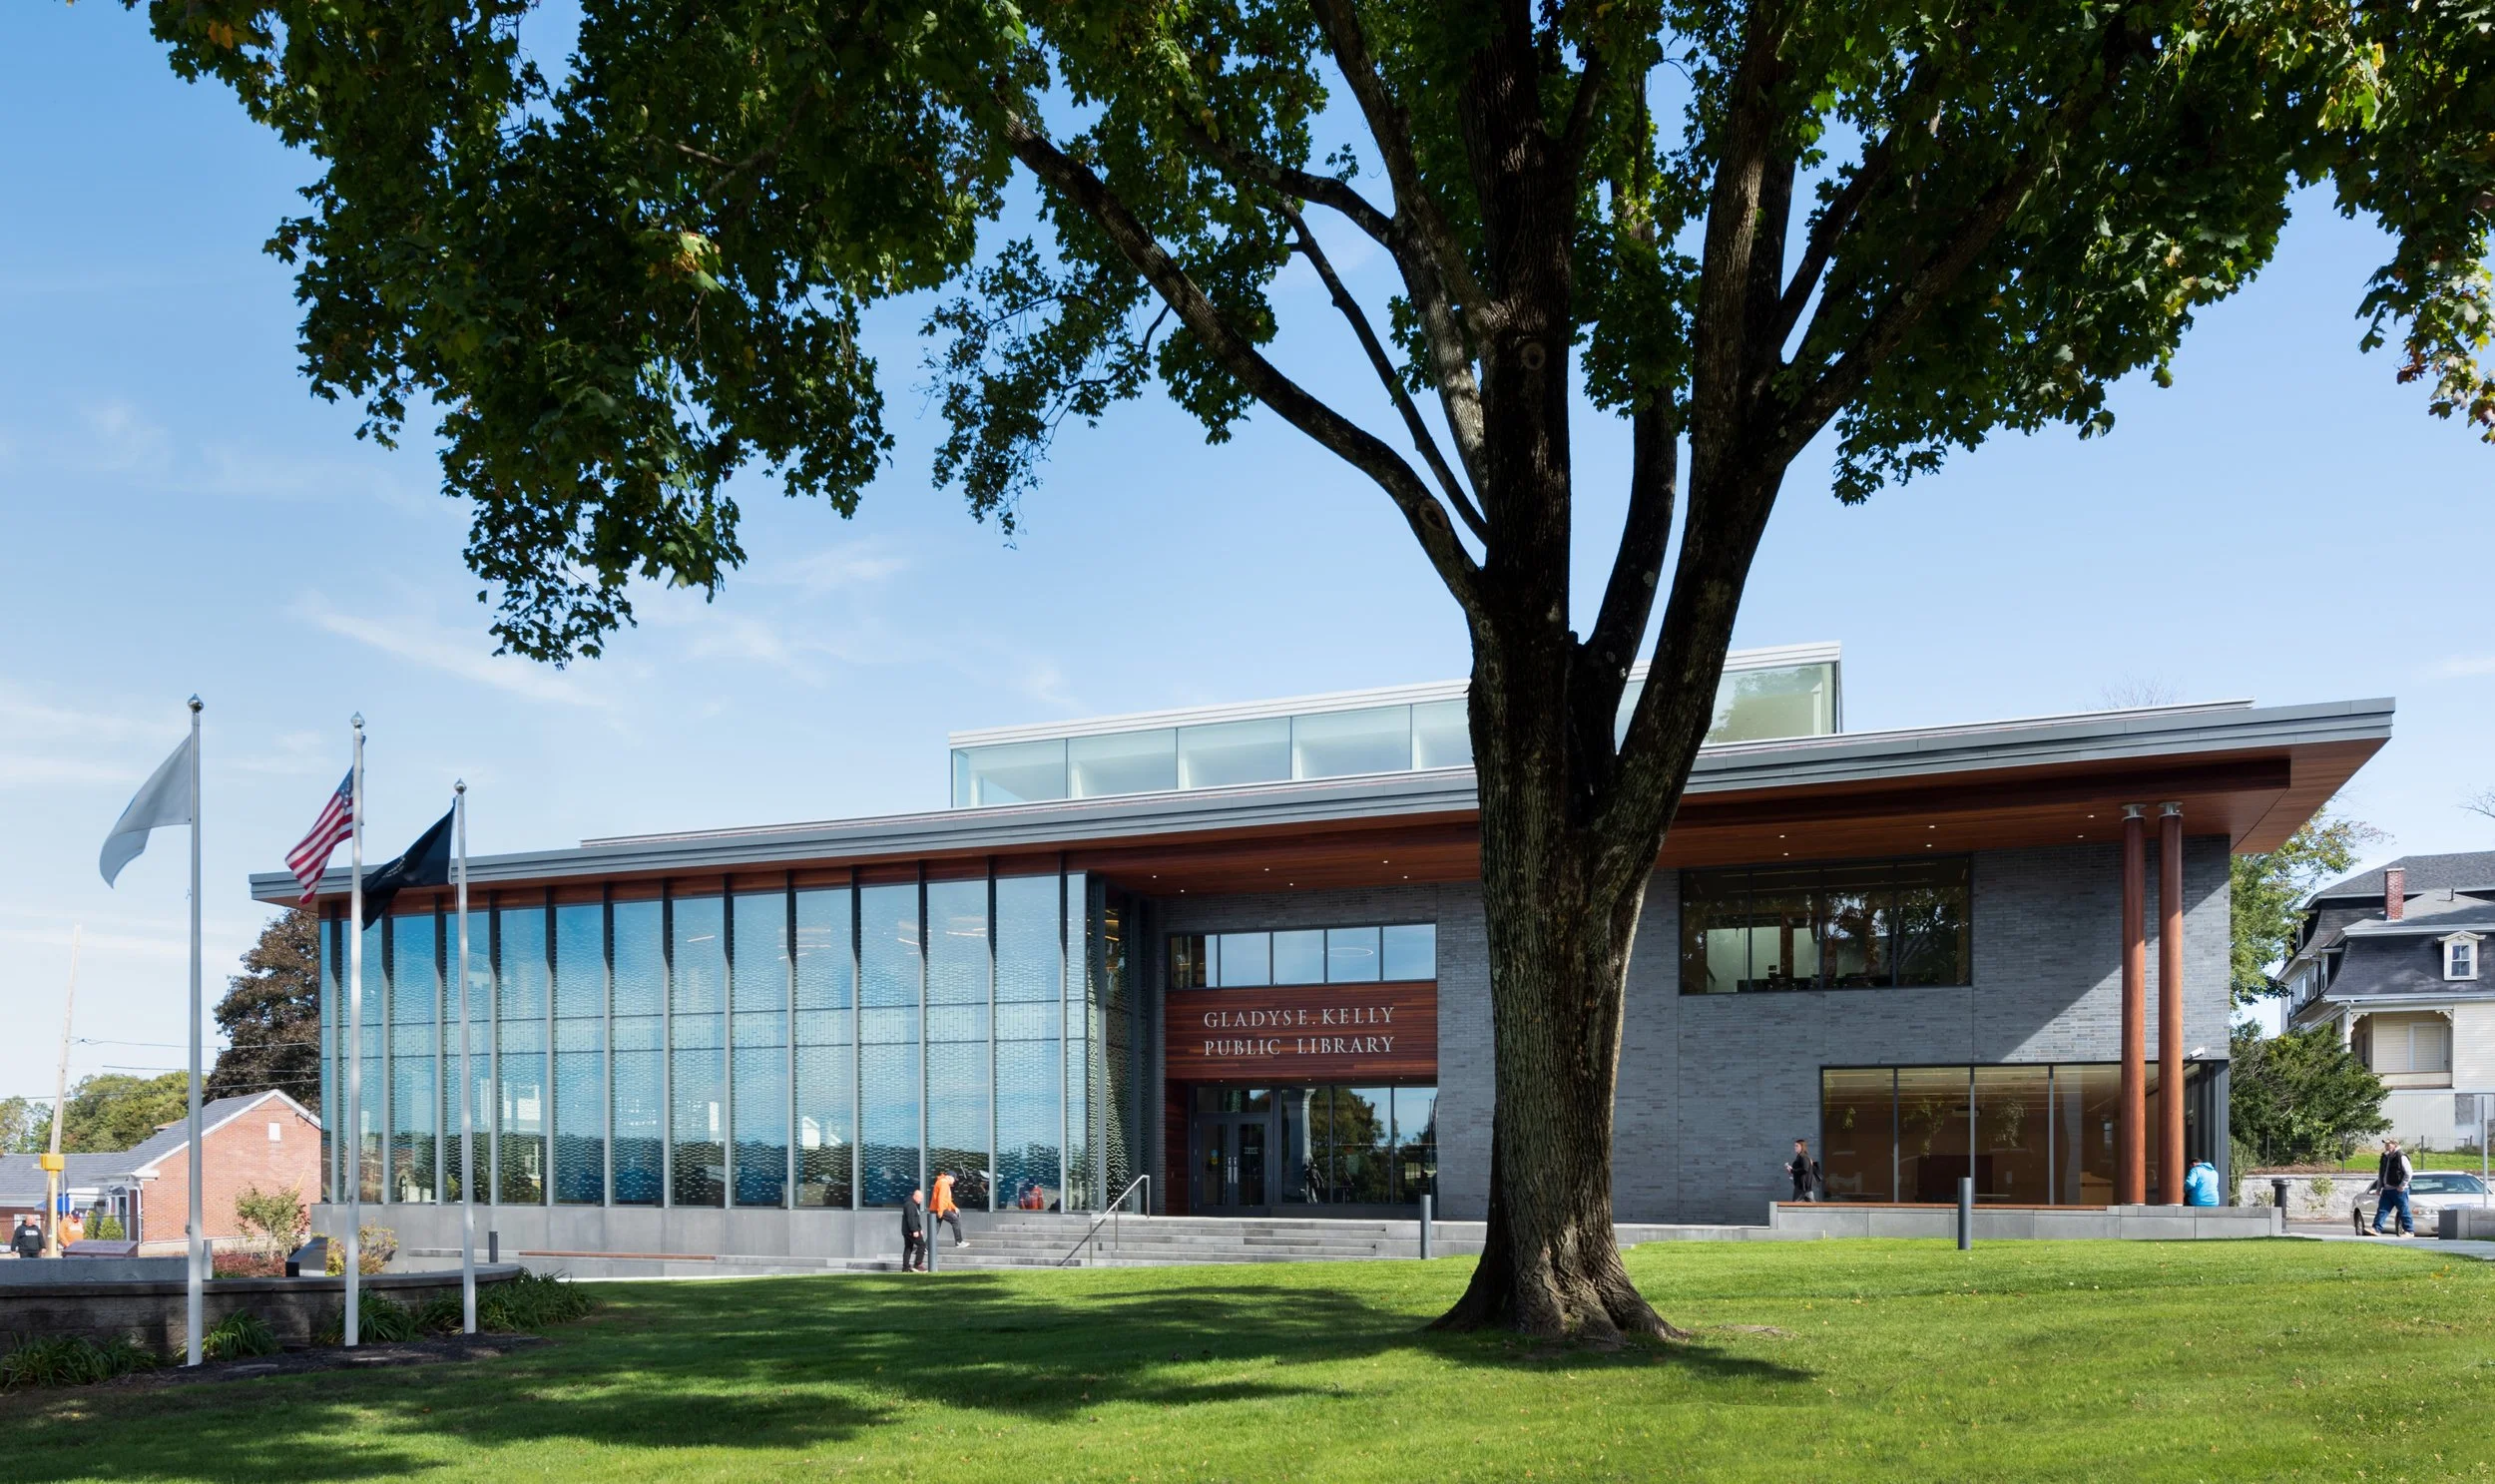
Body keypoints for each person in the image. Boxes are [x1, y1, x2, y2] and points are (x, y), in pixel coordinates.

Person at [2370, 1139, 2415, 1236]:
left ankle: (2409, 1231)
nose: (2386, 1146)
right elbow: (2381, 1175)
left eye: (2388, 1144)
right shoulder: (2385, 1156)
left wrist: (2402, 1186)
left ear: (2395, 1144)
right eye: (2386, 1144)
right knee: (2382, 1210)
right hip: (2386, 1190)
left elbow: (2409, 1173)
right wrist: (2378, 1189)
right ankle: (2376, 1229)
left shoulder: (2401, 1156)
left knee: (2404, 1211)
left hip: (2399, 1190)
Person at [929, 1171, 965, 1247]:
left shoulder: (942, 1182)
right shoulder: (943, 1183)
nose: (954, 1181)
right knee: (955, 1220)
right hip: (940, 1208)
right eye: (954, 1179)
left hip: (937, 1208)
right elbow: (941, 1198)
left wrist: (954, 1207)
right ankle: (959, 1241)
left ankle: (926, 1248)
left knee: (935, 1230)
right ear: (950, 1177)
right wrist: (941, 1211)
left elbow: (947, 1199)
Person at [900, 1188, 927, 1271]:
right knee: (922, 1245)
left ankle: (906, 1267)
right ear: (915, 1196)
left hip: (908, 1230)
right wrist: (914, 1230)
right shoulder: (910, 1205)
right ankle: (918, 1264)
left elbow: (915, 1219)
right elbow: (911, 1219)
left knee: (908, 1247)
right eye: (920, 1198)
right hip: (911, 1231)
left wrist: (919, 1229)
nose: (921, 1200)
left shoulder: (911, 1204)